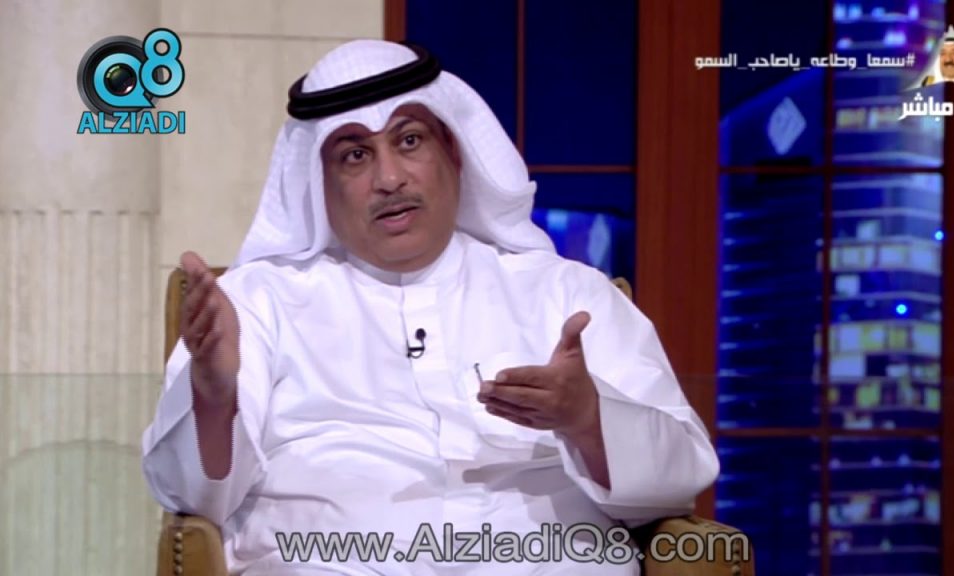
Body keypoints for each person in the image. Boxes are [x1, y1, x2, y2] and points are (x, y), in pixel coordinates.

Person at [141, 39, 719, 575]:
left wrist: (587, 417)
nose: (389, 178)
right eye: (354, 155)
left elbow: (679, 481)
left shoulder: (568, 294)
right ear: (318, 184)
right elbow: (194, 501)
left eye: (410, 141)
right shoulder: (256, 302)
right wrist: (213, 398)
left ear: (455, 154)